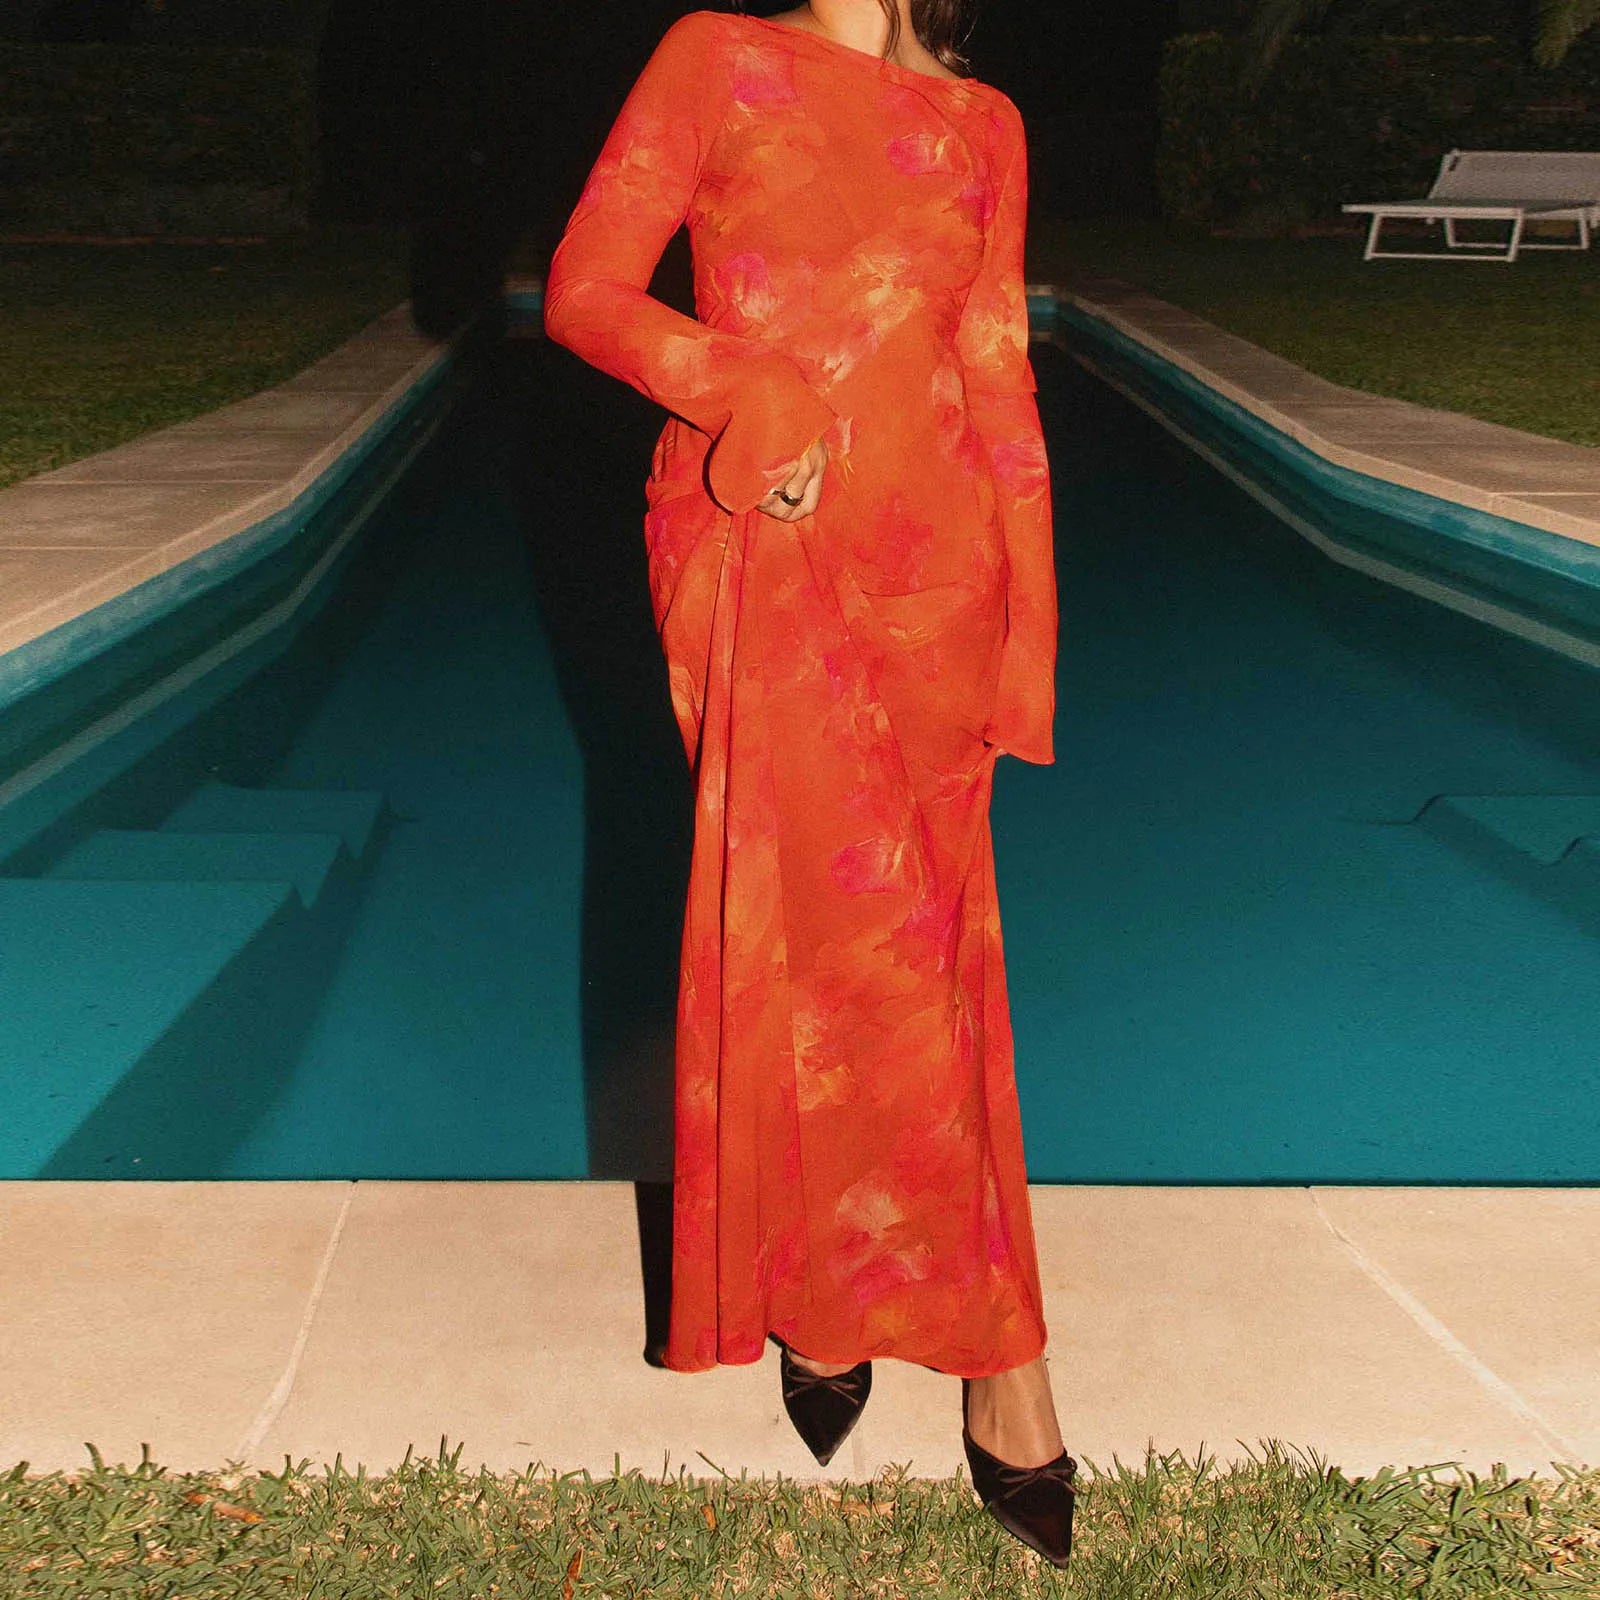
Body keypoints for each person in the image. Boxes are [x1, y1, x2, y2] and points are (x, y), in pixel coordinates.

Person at [543, 0, 1073, 1566]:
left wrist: (1024, 633)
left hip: (940, 581)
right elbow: (584, 292)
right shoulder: (715, 56)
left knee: (935, 958)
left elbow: (999, 378)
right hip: (761, 549)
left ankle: (831, 1302)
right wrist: (738, 389)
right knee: (864, 963)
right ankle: (1008, 1368)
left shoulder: (985, 123)